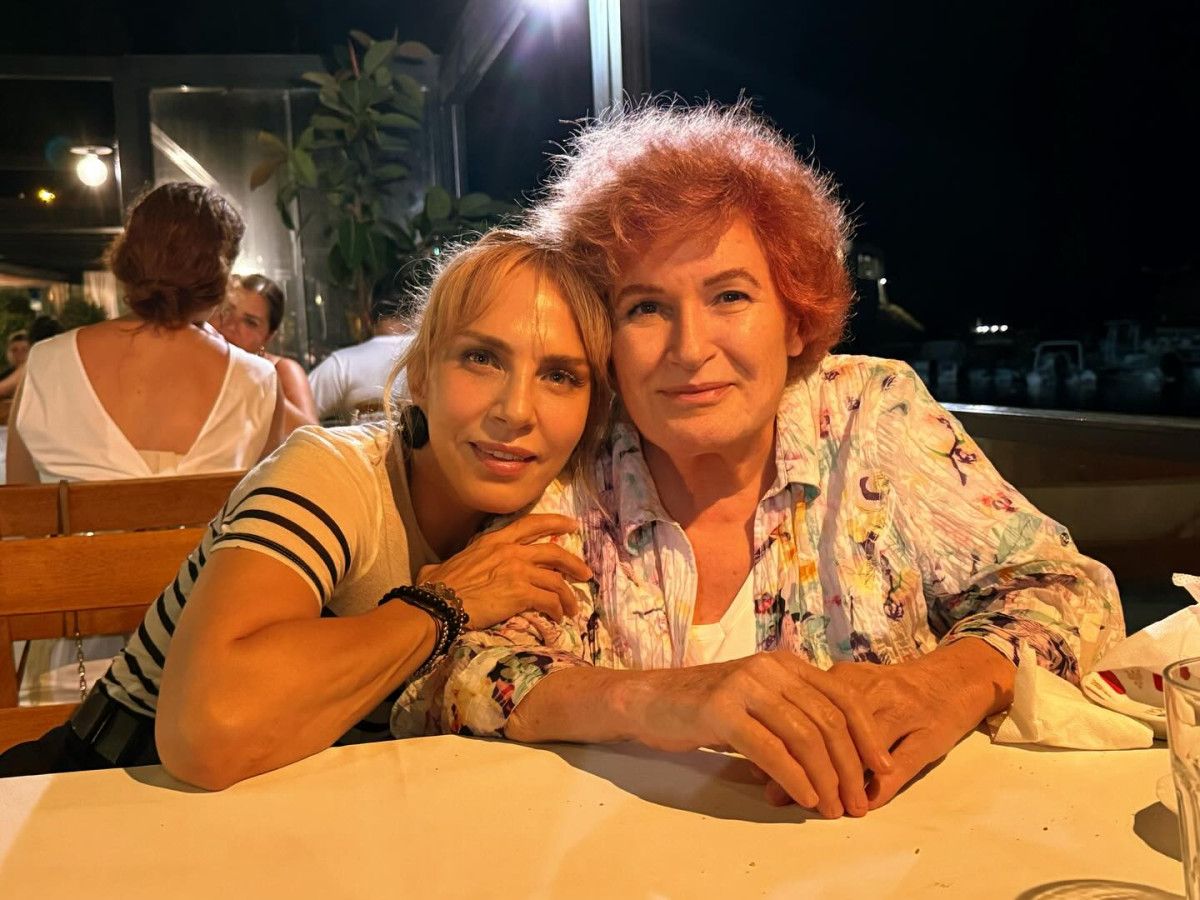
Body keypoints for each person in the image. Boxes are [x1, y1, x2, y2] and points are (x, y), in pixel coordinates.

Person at [395, 103, 1124, 820]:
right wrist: (656, 699)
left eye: (729, 296)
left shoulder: (873, 413)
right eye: (645, 307)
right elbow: (451, 674)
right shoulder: (580, 458)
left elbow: (1069, 591)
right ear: (605, 338)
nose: (690, 349)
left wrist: (940, 685)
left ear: (795, 316)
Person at [0, 227, 612, 789]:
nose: (516, 410)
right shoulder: (335, 472)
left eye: (561, 375)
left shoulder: (570, 515)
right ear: (422, 374)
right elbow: (206, 732)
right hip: (104, 788)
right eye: (482, 358)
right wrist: (441, 605)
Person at [5, 183, 283, 485]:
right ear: (219, 275)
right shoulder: (257, 382)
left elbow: (22, 504)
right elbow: (268, 506)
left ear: (128, 257)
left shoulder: (46, 364)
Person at [308, 276, 417, 424]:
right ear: (420, 314)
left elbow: (294, 415)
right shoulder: (435, 357)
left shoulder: (342, 364)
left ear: (367, 317)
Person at [215, 273, 319, 428]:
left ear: (268, 337)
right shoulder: (201, 357)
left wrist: (251, 376)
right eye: (227, 311)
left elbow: (311, 434)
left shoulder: (282, 369)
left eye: (250, 322)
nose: (231, 325)